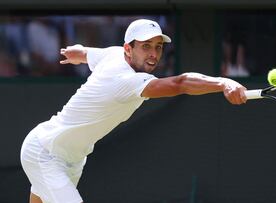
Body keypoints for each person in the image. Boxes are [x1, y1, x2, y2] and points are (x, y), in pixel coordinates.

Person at [20, 19, 247, 203]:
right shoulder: (125, 81)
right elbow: (180, 84)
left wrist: (78, 53)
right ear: (129, 49)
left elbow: (88, 53)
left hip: (72, 158)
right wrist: (223, 83)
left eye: (158, 47)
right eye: (146, 46)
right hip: (45, 152)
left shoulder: (115, 53)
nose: (153, 54)